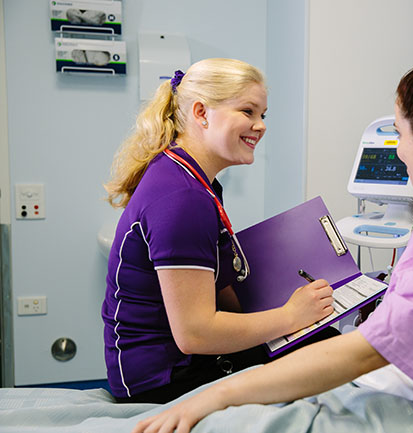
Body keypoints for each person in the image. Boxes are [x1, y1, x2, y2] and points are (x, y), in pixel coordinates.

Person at [132, 35, 413, 433]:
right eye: (248, 111)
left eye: (398, 133)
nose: (397, 149)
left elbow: (366, 351)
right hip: (398, 386)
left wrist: (219, 394)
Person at [101, 58, 337, 404]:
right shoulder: (182, 198)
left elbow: (219, 286)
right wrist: (289, 316)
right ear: (201, 113)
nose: (260, 125)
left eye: (263, 115)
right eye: (248, 111)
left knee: (319, 337)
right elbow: (194, 334)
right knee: (329, 350)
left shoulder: (192, 178)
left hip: (168, 364)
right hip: (162, 381)